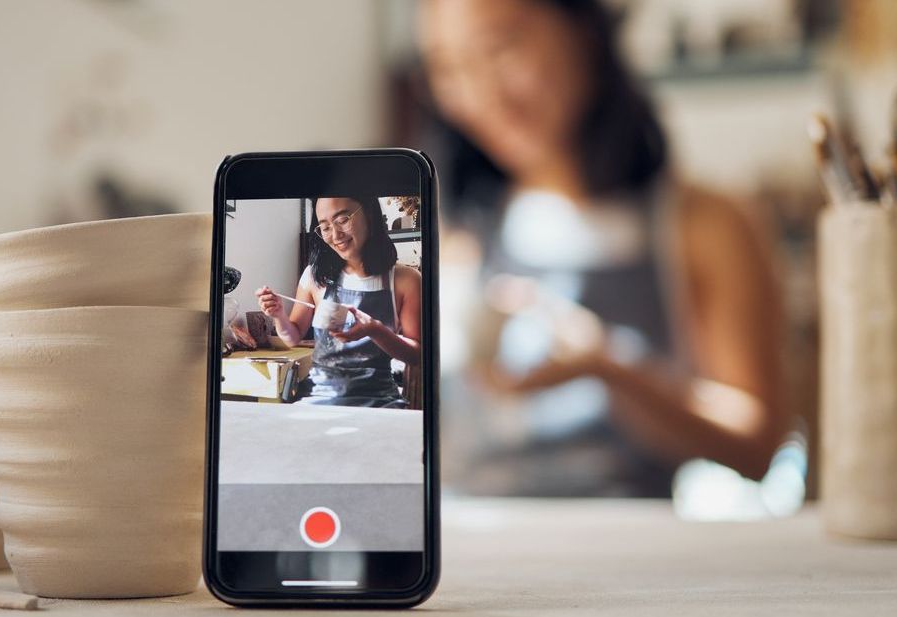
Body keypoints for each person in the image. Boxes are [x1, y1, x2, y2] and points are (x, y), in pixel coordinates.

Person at [418, 0, 788, 496]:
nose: (482, 94)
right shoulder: (453, 230)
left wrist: (610, 369)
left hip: (628, 554)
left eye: (500, 48)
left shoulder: (706, 226)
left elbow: (759, 449)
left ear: (583, 30)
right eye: (450, 67)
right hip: (470, 553)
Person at [256, 196, 422, 408]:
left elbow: (416, 354)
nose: (335, 235)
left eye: (343, 220)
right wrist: (278, 315)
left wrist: (375, 330)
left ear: (369, 214)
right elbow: (293, 336)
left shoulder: (406, 280)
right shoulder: (315, 276)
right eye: (324, 227)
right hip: (321, 399)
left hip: (380, 401)